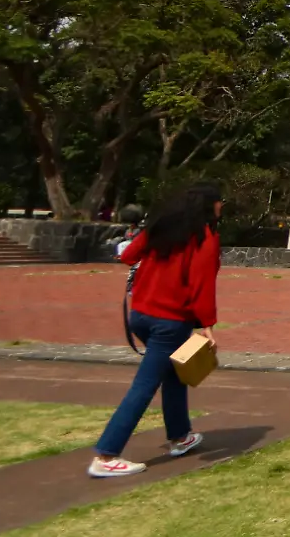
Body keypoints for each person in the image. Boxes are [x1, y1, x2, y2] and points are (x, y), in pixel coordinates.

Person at [89, 185, 223, 478]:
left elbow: (128, 255)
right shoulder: (205, 237)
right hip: (171, 320)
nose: (221, 208)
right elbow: (202, 284)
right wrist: (207, 325)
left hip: (141, 313)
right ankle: (106, 454)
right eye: (219, 203)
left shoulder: (162, 228)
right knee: (145, 385)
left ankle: (180, 436)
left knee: (173, 375)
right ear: (209, 206)